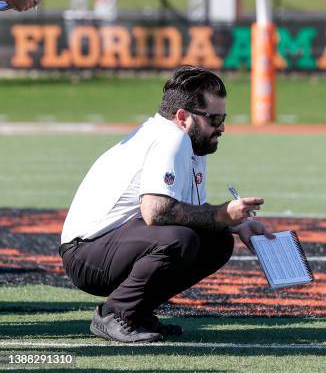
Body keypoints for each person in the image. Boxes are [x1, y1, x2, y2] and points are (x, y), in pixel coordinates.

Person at [59, 66, 274, 343]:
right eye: (215, 118)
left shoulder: (187, 141)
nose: (221, 127)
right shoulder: (169, 139)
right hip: (85, 254)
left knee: (216, 241)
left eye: (224, 117)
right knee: (179, 239)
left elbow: (188, 212)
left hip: (110, 246)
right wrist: (221, 213)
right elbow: (156, 212)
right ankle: (116, 313)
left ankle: (137, 312)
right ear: (182, 117)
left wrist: (235, 224)